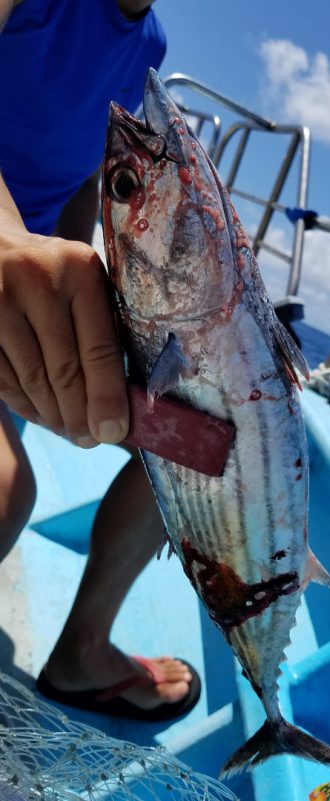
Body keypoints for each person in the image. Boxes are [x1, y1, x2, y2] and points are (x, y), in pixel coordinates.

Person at [0, 0, 200, 719]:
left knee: (190, 439)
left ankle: (82, 651)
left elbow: (87, 175)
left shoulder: (147, 43)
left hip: (21, 308)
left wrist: (94, 286)